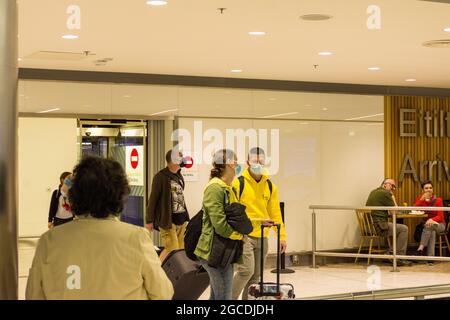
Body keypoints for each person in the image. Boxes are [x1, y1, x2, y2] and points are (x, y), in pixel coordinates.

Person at [26, 156, 173, 300]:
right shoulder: (136, 238)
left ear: (74, 196)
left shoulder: (49, 241)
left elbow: (33, 295)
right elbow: (163, 293)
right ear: (120, 195)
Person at [232, 147, 287, 300]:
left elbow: (276, 212)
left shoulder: (269, 185)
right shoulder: (239, 183)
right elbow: (235, 212)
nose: (258, 163)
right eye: (255, 160)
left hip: (263, 237)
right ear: (248, 162)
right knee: (246, 271)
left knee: (256, 276)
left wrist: (281, 236)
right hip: (245, 236)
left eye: (261, 161)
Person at [194, 149, 244, 300]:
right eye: (235, 161)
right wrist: (238, 235)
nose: (237, 165)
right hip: (213, 251)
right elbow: (220, 224)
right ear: (229, 163)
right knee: (223, 297)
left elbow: (235, 216)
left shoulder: (228, 187)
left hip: (225, 249)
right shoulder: (214, 188)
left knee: (217, 296)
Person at [145, 149, 189, 262]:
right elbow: (152, 200)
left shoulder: (178, 176)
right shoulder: (160, 177)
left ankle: (175, 275)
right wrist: (149, 220)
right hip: (167, 221)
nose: (182, 158)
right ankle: (157, 271)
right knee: (171, 250)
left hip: (181, 219)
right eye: (180, 156)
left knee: (180, 250)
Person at [366, 178, 412, 266]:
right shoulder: (385, 193)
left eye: (394, 187)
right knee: (404, 229)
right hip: (380, 226)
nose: (393, 189)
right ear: (385, 184)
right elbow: (394, 212)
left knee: (399, 228)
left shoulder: (373, 192)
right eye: (392, 186)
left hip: (370, 225)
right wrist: (392, 197)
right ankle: (398, 257)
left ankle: (390, 254)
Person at [414, 180, 446, 258]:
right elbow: (414, 209)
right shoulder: (420, 199)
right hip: (428, 225)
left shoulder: (438, 200)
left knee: (429, 226)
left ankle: (421, 247)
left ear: (433, 189)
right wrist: (421, 200)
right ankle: (430, 258)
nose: (429, 190)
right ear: (423, 190)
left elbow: (440, 216)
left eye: (430, 188)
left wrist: (432, 220)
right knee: (430, 228)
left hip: (440, 224)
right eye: (426, 188)